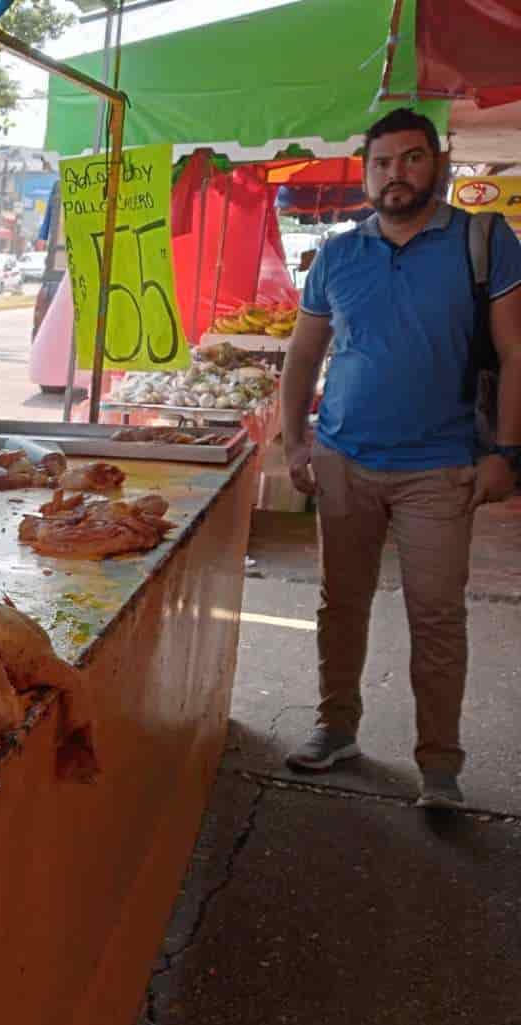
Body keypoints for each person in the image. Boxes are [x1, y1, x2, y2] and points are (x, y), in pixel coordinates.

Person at [281, 107, 521, 807]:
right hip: (344, 460)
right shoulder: (337, 254)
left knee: (437, 615)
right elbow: (303, 355)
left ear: (436, 164)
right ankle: (336, 727)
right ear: (366, 174)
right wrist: (294, 440)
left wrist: (506, 451)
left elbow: (514, 352)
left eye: (412, 159)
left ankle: (439, 765)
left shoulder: (483, 240)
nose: (396, 175)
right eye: (382, 163)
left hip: (440, 467)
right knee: (340, 604)